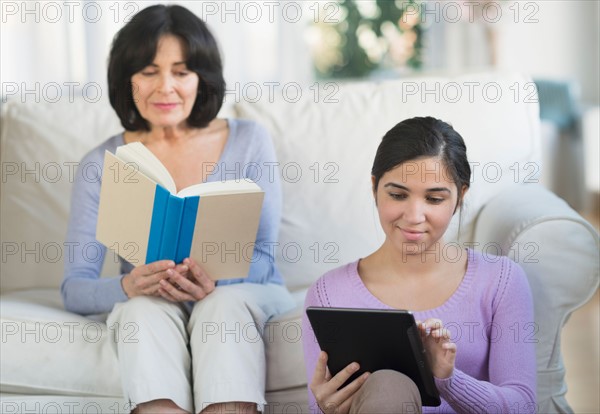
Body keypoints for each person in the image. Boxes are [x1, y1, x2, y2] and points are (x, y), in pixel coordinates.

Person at [61, 5, 295, 414]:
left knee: (222, 306)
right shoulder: (101, 163)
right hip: (152, 303)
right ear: (126, 79)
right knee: (141, 311)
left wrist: (215, 284)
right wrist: (129, 285)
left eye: (182, 72)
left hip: (238, 296)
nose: (165, 87)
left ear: (202, 80)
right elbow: (74, 288)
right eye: (149, 72)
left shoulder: (250, 140)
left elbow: (263, 258)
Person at [301, 117, 537, 413]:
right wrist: (326, 409)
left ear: (460, 196)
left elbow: (523, 407)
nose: (414, 216)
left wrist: (446, 379)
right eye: (398, 195)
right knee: (388, 385)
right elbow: (321, 403)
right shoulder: (328, 294)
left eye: (434, 198)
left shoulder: (501, 280)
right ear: (375, 188)